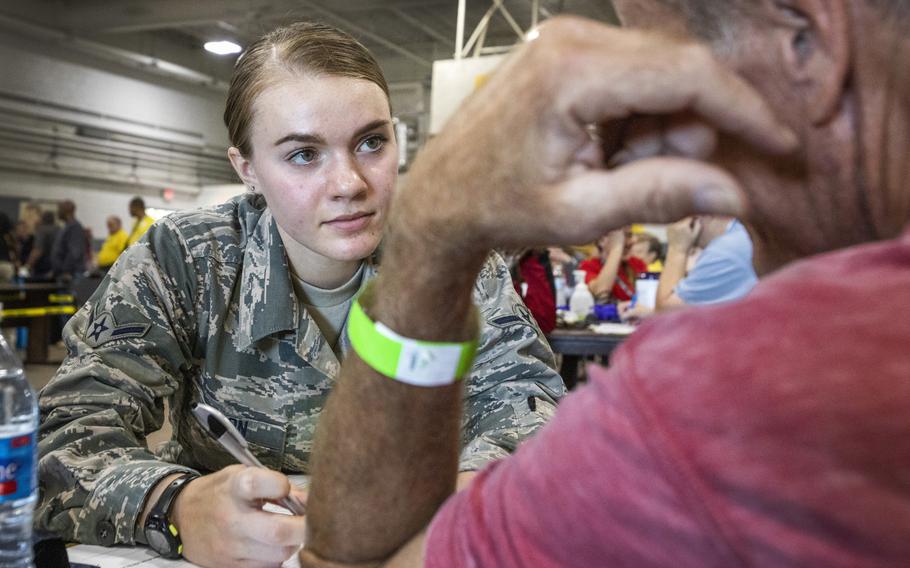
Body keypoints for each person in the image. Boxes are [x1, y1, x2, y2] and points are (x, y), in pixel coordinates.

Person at [300, 2, 910, 566]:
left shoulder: (720, 399)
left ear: (806, 42)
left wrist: (430, 232)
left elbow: (352, 560)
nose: (627, 137)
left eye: (663, 69)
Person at [35, 21, 563, 568]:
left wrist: (470, 490)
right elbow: (66, 432)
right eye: (304, 155)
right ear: (248, 169)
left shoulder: (452, 256)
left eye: (371, 142)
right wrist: (175, 506)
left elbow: (533, 407)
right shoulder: (187, 261)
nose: (350, 183)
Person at [656, 215, 757, 309]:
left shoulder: (724, 250)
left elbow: (666, 313)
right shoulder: (742, 232)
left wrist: (677, 249)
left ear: (692, 220)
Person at [579, 230, 647, 302]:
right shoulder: (588, 266)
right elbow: (601, 293)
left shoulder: (636, 263)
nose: (634, 240)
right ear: (602, 240)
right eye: (627, 235)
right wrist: (616, 248)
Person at [49, 199, 87, 281]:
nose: (57, 213)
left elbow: (74, 252)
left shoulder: (75, 227)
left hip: (71, 275)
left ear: (67, 211)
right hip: (62, 273)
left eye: (59, 210)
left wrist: (66, 271)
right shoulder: (66, 226)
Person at [26, 211, 58, 280]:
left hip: (43, 267)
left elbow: (38, 250)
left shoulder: (42, 230)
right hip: (56, 266)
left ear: (42, 219)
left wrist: (28, 265)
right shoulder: (59, 230)